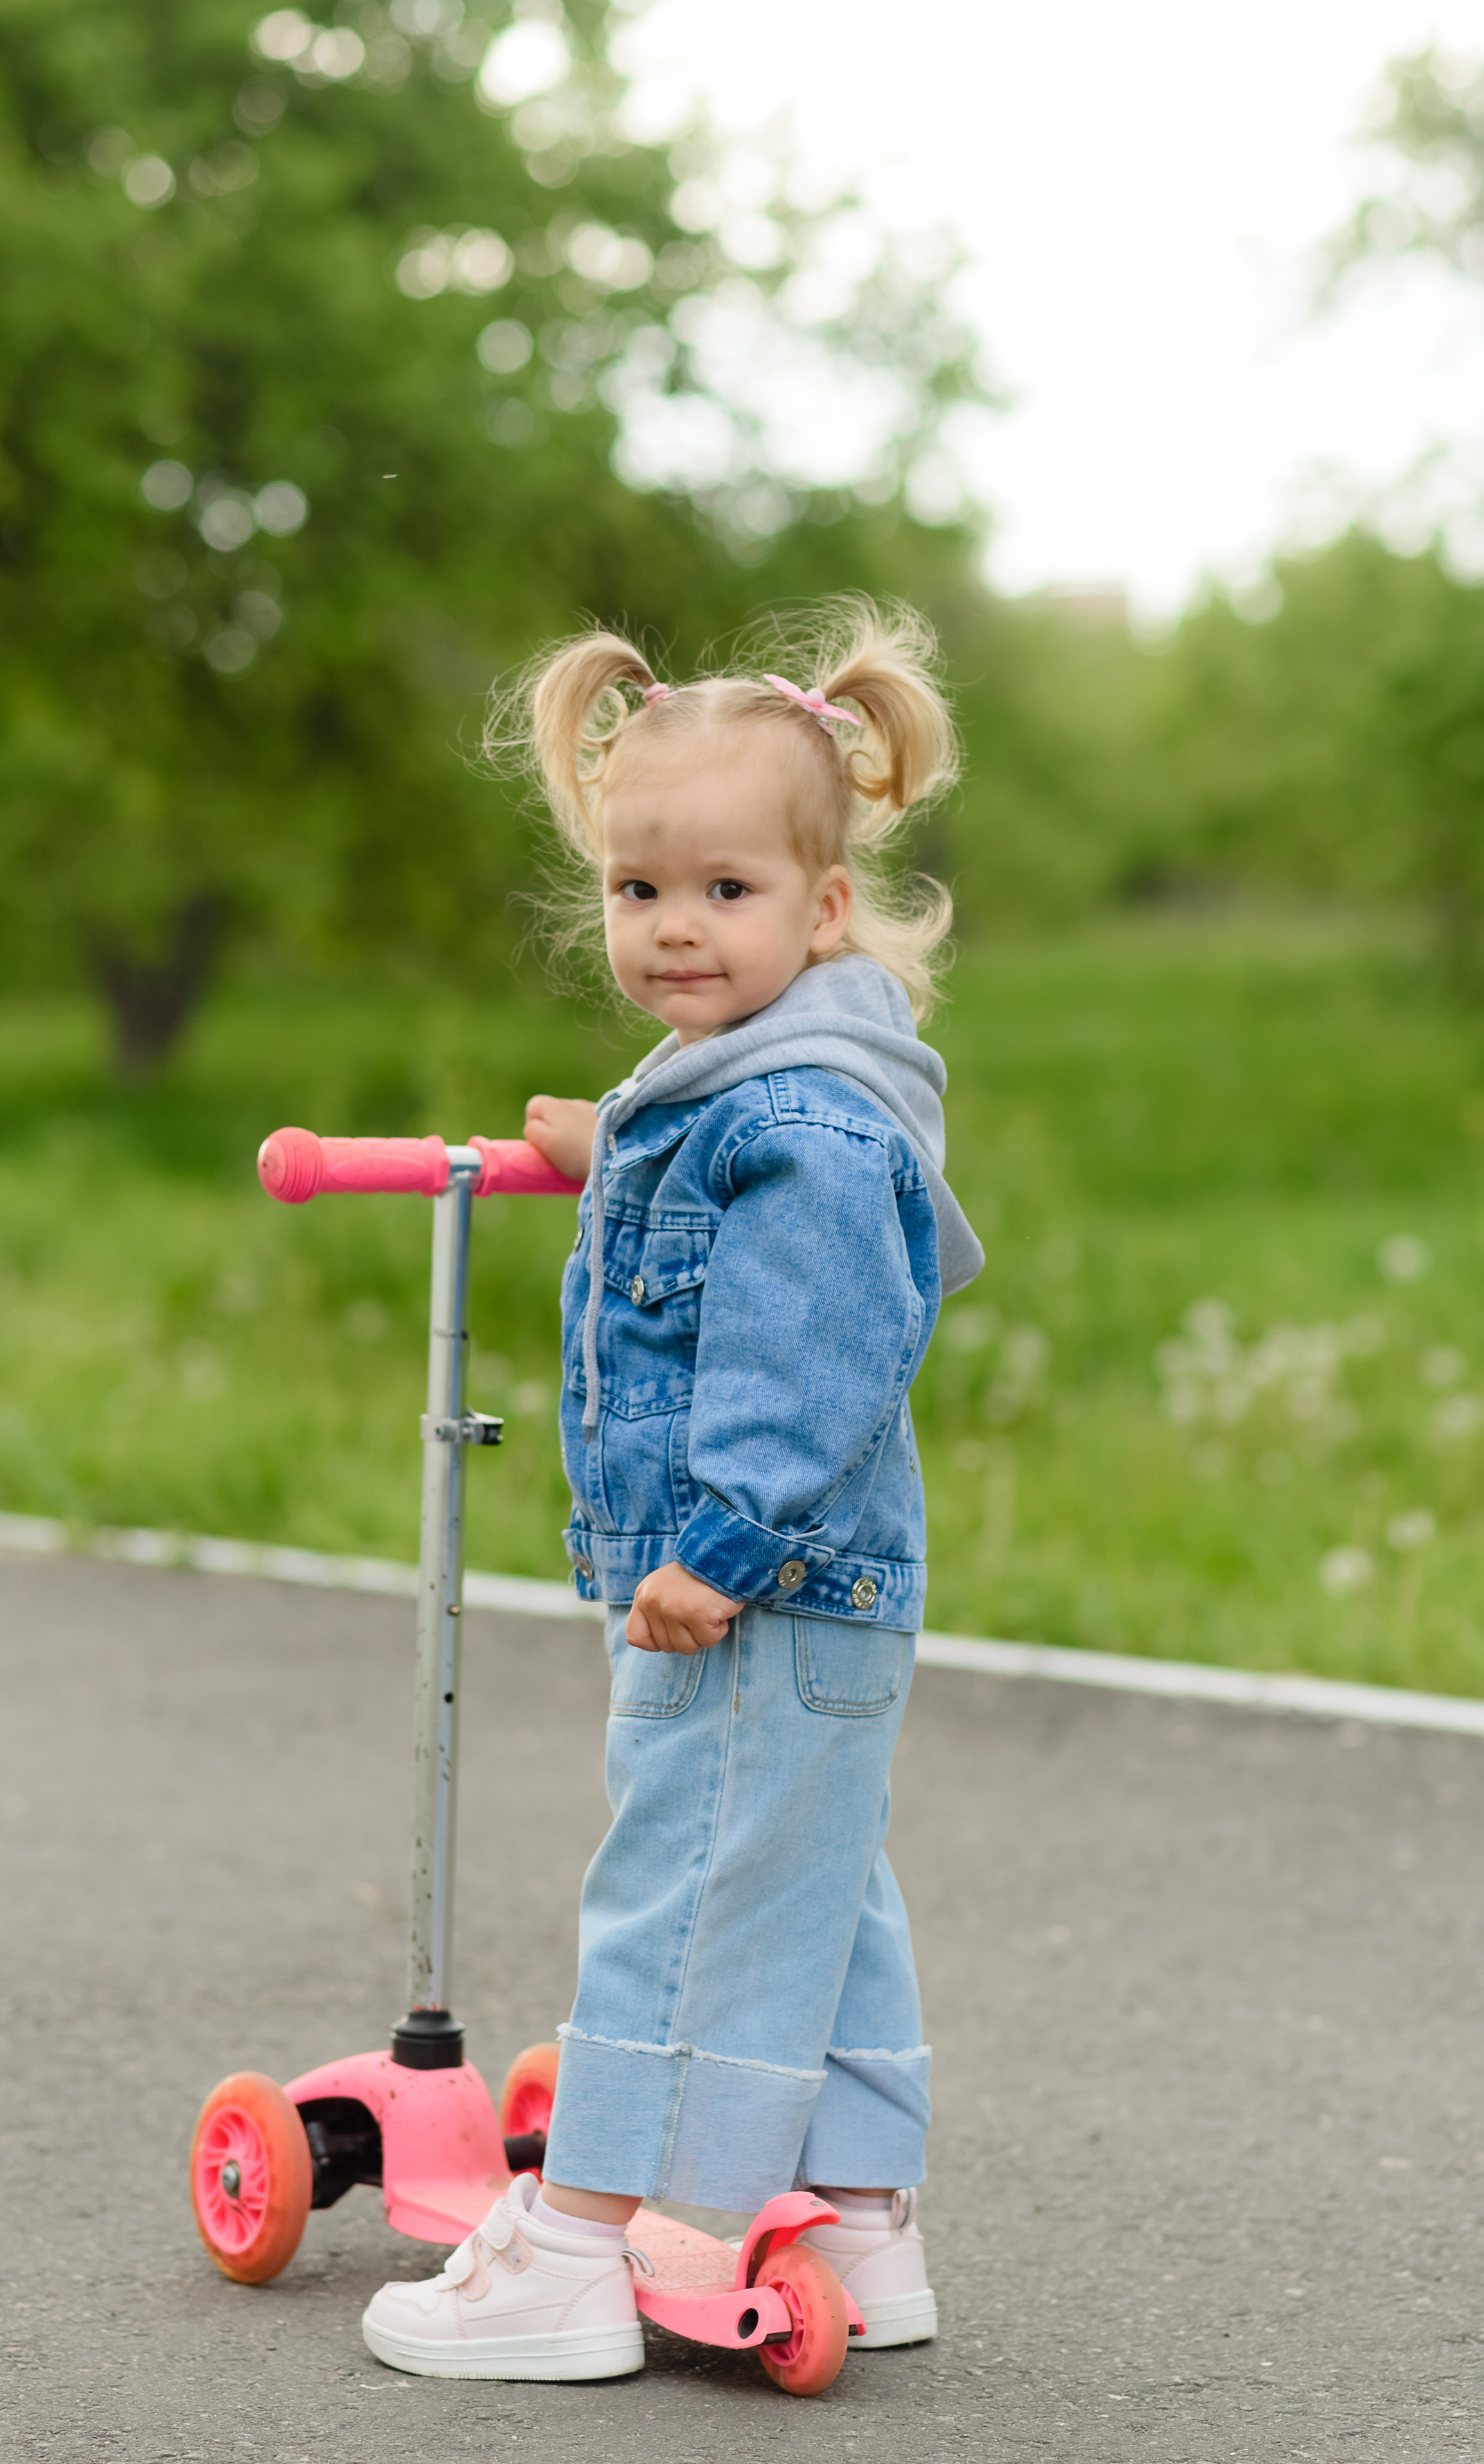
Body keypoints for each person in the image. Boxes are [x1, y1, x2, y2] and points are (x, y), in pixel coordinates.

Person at [362, 598, 984, 2382]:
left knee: (680, 1880)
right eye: (641, 889)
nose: (675, 926)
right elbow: (719, 1182)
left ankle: (573, 2244)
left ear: (826, 906)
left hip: (757, 1581)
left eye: (726, 889)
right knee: (818, 1884)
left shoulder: (808, 1124)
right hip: (820, 1591)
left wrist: (718, 1549)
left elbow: (813, 1356)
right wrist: (610, 1143)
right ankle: (856, 2213)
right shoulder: (768, 1083)